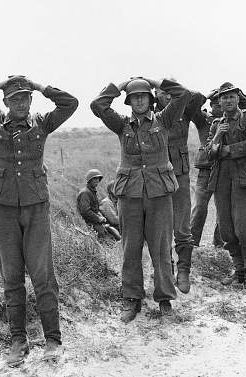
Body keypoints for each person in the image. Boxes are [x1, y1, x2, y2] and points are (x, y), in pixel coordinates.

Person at [0, 75, 78, 366]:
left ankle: (52, 339)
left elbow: (70, 103)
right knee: (11, 277)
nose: (21, 103)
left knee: (42, 275)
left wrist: (39, 85)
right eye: (14, 98)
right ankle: (18, 340)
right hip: (3, 207)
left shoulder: (43, 123)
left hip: (36, 205)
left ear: (31, 100)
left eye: (25, 97)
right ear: (6, 102)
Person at [91, 77, 190, 322]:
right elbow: (97, 105)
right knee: (131, 248)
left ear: (151, 98)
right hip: (130, 195)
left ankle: (164, 298)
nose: (139, 100)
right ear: (129, 101)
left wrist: (156, 81)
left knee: (161, 247)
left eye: (144, 95)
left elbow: (184, 95)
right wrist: (121, 85)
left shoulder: (164, 119)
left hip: (159, 194)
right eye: (134, 96)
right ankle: (132, 299)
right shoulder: (122, 125)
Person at [205, 82, 246, 289]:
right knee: (227, 230)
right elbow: (208, 154)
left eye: (231, 97)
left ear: (238, 99)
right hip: (222, 179)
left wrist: (227, 150)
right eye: (224, 98)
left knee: (244, 228)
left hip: (244, 178)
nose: (228, 101)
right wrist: (219, 135)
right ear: (219, 102)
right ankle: (238, 271)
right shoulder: (215, 125)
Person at [154, 86, 207, 294]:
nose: (166, 95)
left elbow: (199, 97)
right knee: (161, 229)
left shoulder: (184, 111)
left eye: (170, 91)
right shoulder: (152, 114)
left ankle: (184, 270)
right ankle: (167, 270)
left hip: (180, 176)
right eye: (161, 91)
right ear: (155, 94)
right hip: (157, 177)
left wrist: (164, 83)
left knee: (183, 227)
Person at [190, 88, 246, 248]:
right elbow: (194, 104)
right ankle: (193, 244)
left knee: (223, 209)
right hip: (206, 168)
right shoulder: (204, 120)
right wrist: (210, 94)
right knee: (200, 207)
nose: (217, 106)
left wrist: (226, 90)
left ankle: (219, 243)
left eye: (221, 102)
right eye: (215, 103)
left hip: (225, 168)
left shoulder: (238, 118)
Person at [77, 170, 121, 241]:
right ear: (89, 180)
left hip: (97, 222)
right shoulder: (85, 193)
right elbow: (85, 211)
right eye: (94, 178)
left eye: (98, 179)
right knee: (109, 241)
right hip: (91, 223)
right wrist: (98, 218)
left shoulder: (92, 192)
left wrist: (101, 217)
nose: (97, 180)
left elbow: (95, 209)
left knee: (113, 236)